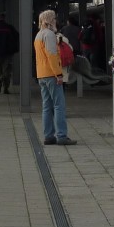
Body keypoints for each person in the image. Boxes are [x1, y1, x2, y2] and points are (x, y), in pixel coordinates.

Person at [34, 9, 75, 145]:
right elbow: (52, 55)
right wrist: (58, 74)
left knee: (46, 106)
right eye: (54, 19)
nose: (56, 21)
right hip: (52, 74)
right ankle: (62, 136)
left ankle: (48, 136)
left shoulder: (38, 35)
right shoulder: (50, 35)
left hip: (42, 74)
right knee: (59, 106)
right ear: (50, 20)